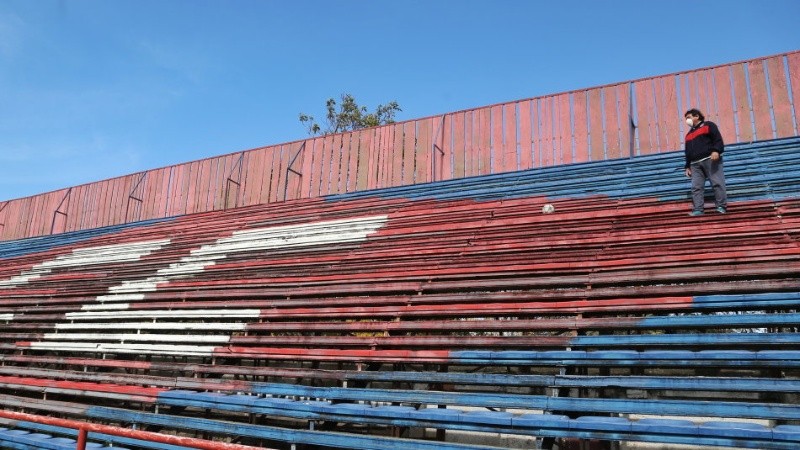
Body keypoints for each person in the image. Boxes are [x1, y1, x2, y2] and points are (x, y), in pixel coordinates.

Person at [683, 108, 727, 216]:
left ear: (696, 116)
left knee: (717, 183)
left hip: (710, 160)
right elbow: (687, 152)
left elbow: (717, 139)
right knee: (696, 187)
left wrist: (716, 150)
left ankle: (721, 206)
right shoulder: (688, 135)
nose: (687, 120)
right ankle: (698, 209)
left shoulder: (708, 125)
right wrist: (687, 166)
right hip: (694, 164)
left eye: (688, 117)